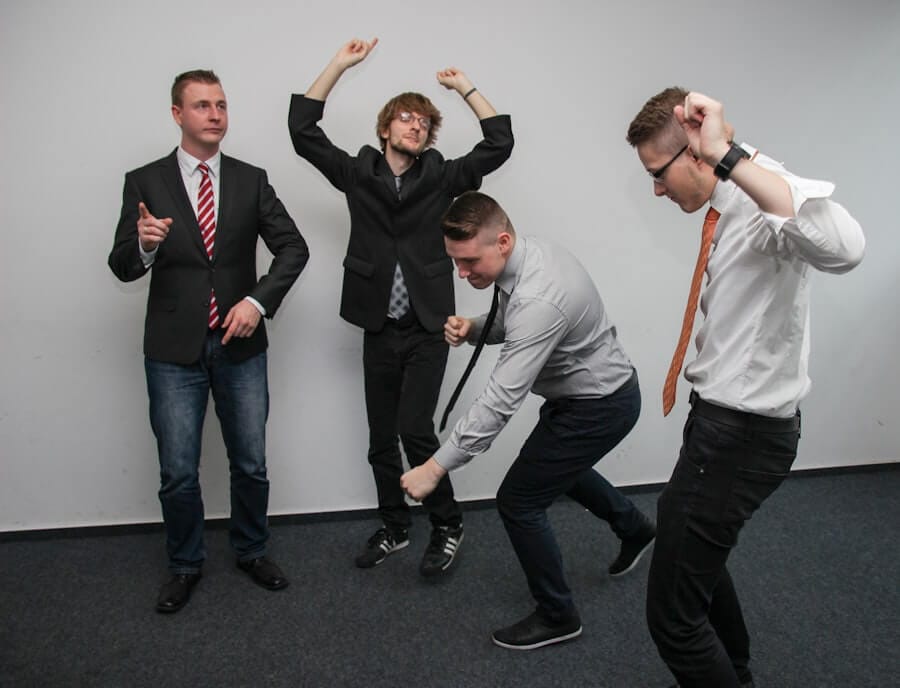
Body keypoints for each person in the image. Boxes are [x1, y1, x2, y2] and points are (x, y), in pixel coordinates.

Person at [626, 88, 865, 687]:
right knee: (688, 550)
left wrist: (728, 155)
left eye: (657, 174)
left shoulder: (759, 195)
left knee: (672, 618)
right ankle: (735, 672)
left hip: (741, 436)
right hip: (720, 425)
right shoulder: (728, 202)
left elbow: (847, 249)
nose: (657, 190)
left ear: (695, 155)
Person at [288, 38, 513, 577]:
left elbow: (499, 142)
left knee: (415, 429)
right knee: (380, 439)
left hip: (428, 325)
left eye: (424, 122)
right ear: (386, 128)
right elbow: (302, 131)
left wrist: (465, 89)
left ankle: (447, 524)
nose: (416, 126)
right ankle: (395, 526)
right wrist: (339, 65)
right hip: (378, 325)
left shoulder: (440, 176)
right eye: (406, 118)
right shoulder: (357, 173)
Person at [400, 191, 656, 649]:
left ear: (501, 242)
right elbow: (511, 319)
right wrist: (474, 327)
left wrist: (435, 468)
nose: (462, 273)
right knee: (559, 470)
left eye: (469, 261)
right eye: (455, 261)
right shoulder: (527, 256)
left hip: (601, 404)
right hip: (584, 397)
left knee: (518, 500)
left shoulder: (541, 295)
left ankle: (558, 615)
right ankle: (636, 528)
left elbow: (500, 400)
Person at [108, 69, 309, 613]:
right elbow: (122, 265)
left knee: (251, 463)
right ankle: (184, 564)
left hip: (240, 346)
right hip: (173, 351)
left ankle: (252, 551)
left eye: (221, 104)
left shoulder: (251, 179)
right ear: (178, 114)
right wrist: (144, 246)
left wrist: (257, 303)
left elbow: (294, 247)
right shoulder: (145, 181)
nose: (215, 114)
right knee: (178, 471)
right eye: (201, 105)